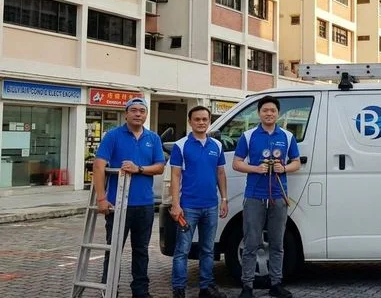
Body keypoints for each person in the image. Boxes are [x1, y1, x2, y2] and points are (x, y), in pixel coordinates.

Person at [93, 97, 165, 298]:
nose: (138, 114)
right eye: (134, 110)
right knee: (113, 249)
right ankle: (109, 289)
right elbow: (98, 166)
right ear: (126, 113)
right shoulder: (113, 136)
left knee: (141, 250)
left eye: (142, 111)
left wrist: (139, 168)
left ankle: (140, 291)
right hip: (118, 204)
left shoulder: (153, 138)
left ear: (146, 114)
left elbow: (160, 167)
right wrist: (101, 198)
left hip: (144, 204)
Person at [233, 96, 301, 298]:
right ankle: (247, 286)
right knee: (251, 242)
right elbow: (236, 163)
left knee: (277, 242)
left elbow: (296, 162)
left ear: (278, 113)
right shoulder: (248, 135)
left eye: (272, 110)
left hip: (279, 196)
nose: (269, 113)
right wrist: (256, 168)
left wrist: (284, 167)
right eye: (265, 110)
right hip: (254, 196)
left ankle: (276, 284)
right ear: (259, 113)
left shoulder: (287, 136)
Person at [170, 106, 229, 298]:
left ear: (209, 121)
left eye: (205, 119)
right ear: (190, 121)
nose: (201, 122)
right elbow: (176, 176)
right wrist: (176, 205)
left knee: (208, 249)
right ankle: (179, 289)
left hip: (211, 206)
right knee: (182, 250)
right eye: (197, 119)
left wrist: (224, 199)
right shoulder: (181, 145)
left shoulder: (217, 145)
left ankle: (206, 287)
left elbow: (220, 173)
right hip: (188, 207)